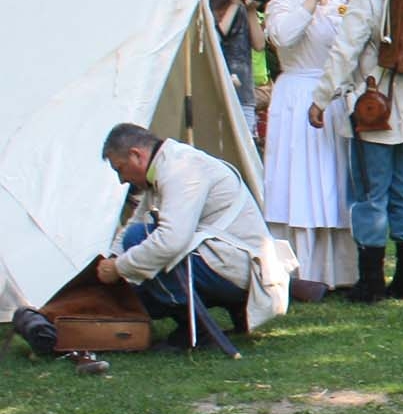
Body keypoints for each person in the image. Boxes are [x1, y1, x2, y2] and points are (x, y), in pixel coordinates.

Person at [309, 0, 403, 303]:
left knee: (370, 196)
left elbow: (345, 51)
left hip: (374, 111)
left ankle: (371, 283)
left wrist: (321, 99)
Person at [96, 122, 295, 341]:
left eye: (120, 168)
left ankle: (197, 330)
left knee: (138, 239)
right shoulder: (166, 165)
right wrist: (112, 257)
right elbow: (138, 219)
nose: (122, 180)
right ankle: (232, 310)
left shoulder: (180, 168)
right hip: (231, 261)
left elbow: (171, 241)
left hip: (242, 268)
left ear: (136, 155)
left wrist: (119, 266)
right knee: (143, 296)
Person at [260, 0, 359, 289]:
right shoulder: (284, 0)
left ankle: (341, 272)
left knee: (333, 178)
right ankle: (301, 271)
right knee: (301, 178)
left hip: (332, 95)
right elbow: (283, 38)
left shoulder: (339, 2)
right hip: (297, 95)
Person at [213, 0, 266, 142]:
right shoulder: (218, 7)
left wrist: (251, 10)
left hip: (245, 93)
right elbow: (217, 36)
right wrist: (233, 4)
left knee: (247, 143)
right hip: (221, 91)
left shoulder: (246, 11)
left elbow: (259, 45)